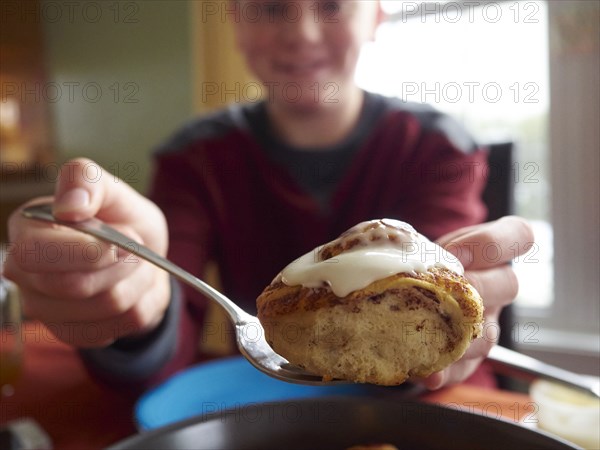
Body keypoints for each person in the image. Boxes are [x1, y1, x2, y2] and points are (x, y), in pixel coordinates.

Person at [4, 1, 533, 392]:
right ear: (233, 17)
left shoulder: (437, 147)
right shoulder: (196, 158)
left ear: (375, 16)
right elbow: (170, 335)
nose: (301, 33)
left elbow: (456, 296)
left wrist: (470, 298)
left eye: (330, 5)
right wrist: (134, 306)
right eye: (270, 6)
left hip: (433, 411)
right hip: (269, 405)